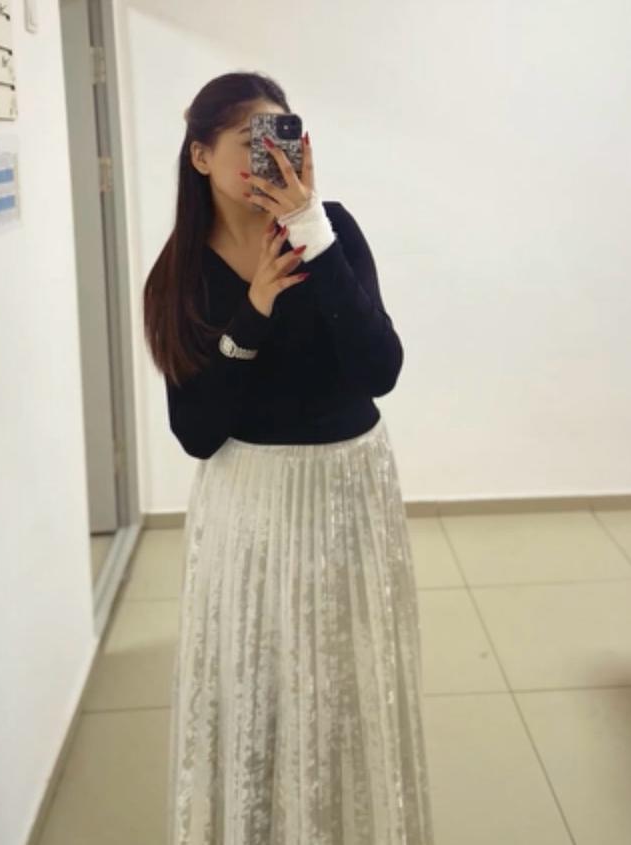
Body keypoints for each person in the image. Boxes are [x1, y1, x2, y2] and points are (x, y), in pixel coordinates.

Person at [143, 71, 435, 845]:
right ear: (201, 156)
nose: (267, 157)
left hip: (349, 488)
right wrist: (253, 314)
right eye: (249, 142)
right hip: (253, 500)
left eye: (281, 137)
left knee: (346, 679)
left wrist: (310, 226)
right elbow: (197, 432)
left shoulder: (330, 229)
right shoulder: (179, 276)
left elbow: (380, 368)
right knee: (257, 681)